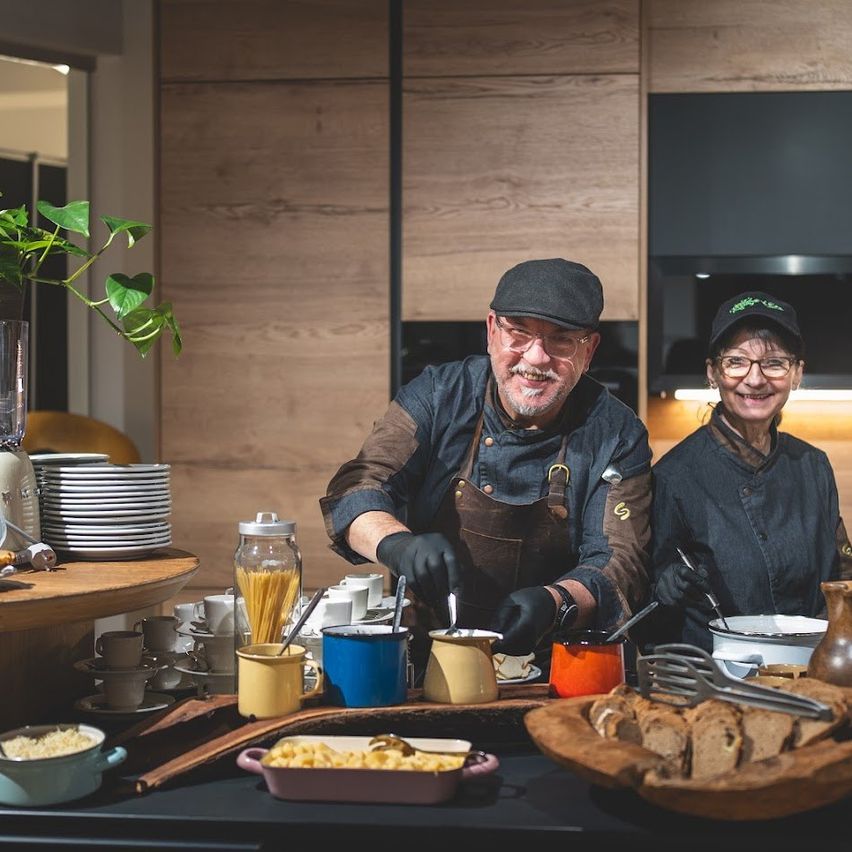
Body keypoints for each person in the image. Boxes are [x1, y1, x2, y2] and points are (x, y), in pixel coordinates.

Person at [320, 258, 652, 678]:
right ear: (492, 330)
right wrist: (396, 545)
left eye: (561, 340)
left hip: (557, 668)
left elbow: (622, 559)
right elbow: (359, 485)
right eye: (519, 332)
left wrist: (556, 601)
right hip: (426, 660)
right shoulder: (440, 395)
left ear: (590, 350)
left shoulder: (617, 433)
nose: (536, 357)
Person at [643, 291, 852, 652]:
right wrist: (665, 588)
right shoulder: (674, 476)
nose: (755, 380)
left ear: (797, 373)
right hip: (714, 677)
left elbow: (840, 578)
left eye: (774, 363)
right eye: (736, 361)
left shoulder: (812, 465)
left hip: (810, 672)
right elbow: (645, 610)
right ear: (713, 372)